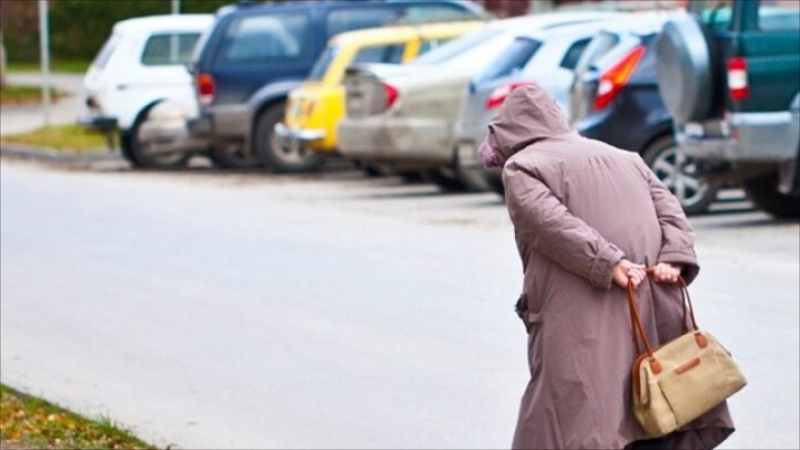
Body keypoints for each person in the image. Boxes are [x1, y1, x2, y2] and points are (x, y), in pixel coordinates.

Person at [478, 84, 734, 450]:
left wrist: (607, 261)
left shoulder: (523, 166)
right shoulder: (625, 157)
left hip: (581, 308)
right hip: (648, 300)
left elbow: (548, 222)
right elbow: (670, 209)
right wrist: (673, 257)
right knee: (646, 401)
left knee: (577, 410)